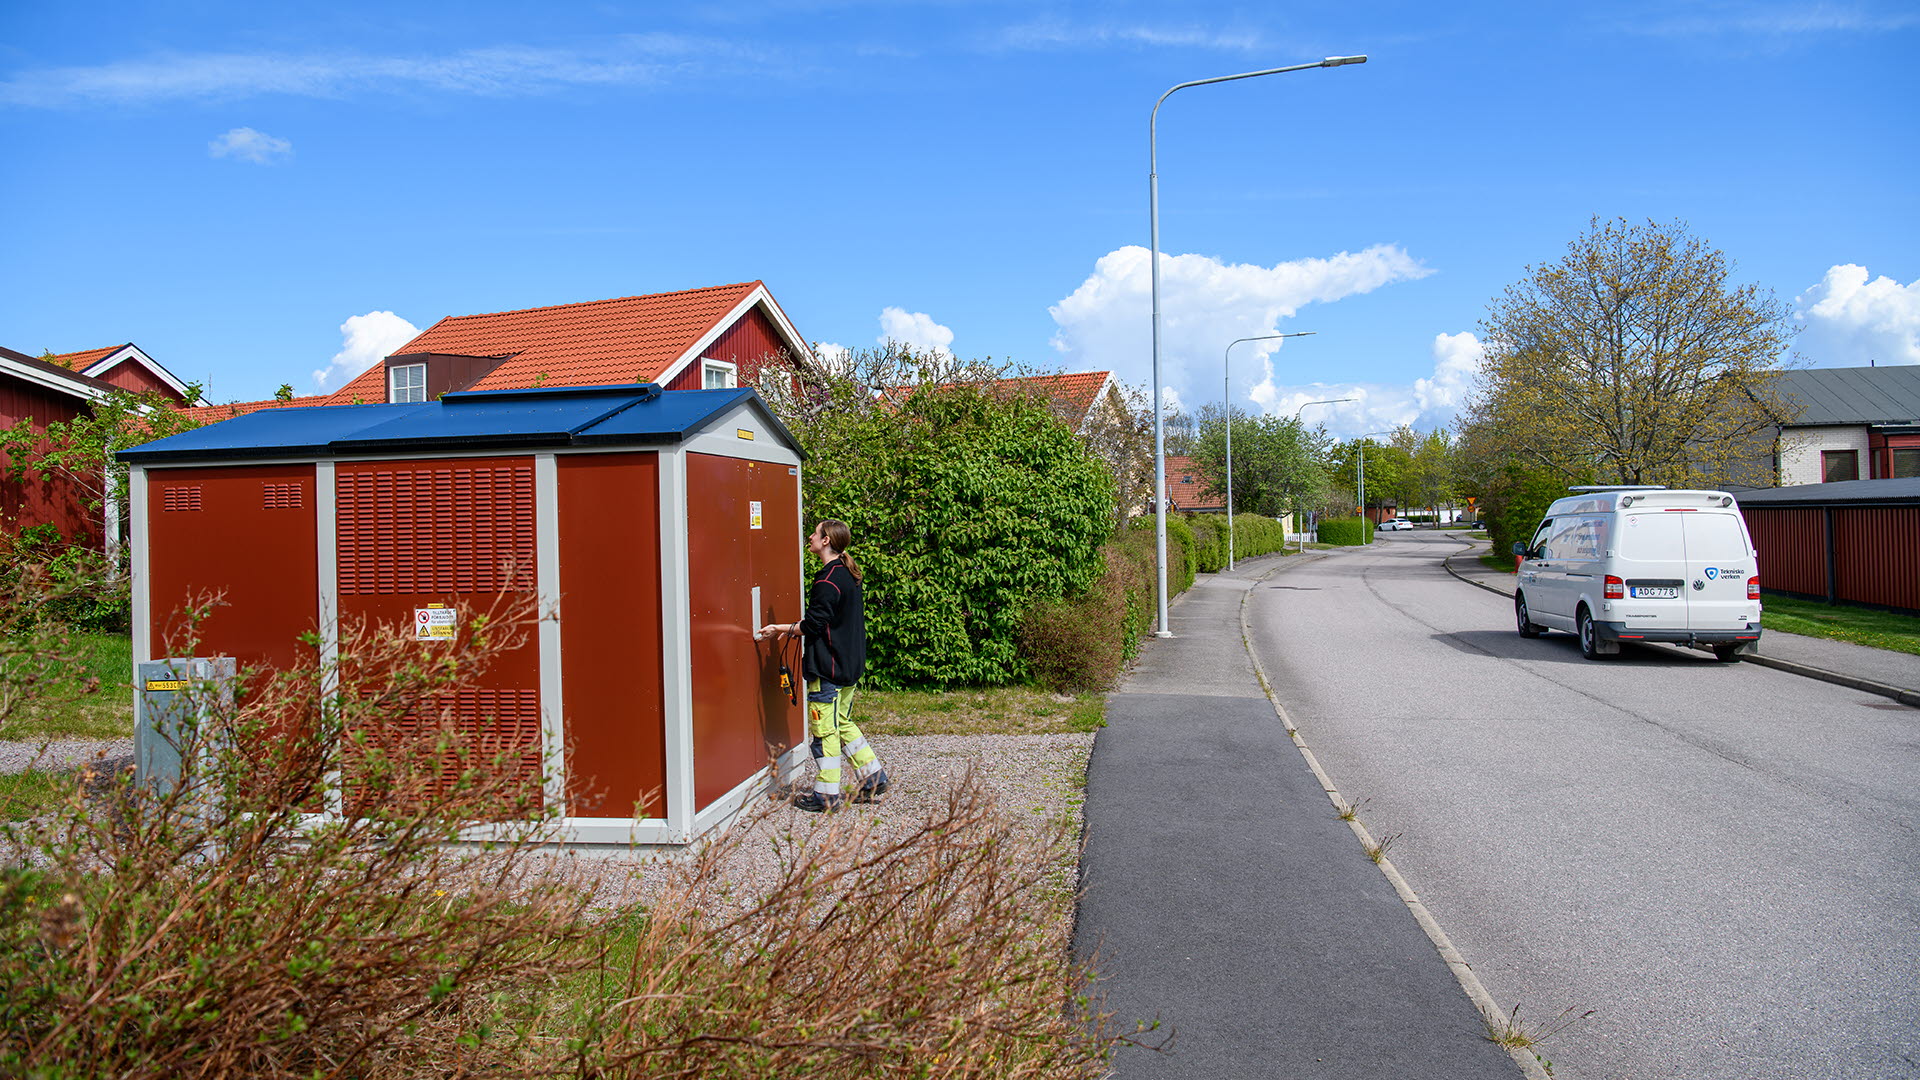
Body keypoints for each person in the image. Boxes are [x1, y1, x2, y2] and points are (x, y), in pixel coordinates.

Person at [756, 519, 889, 812]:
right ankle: (873, 776)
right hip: (849, 666)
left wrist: (779, 628)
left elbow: (814, 625)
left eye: (815, 533)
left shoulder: (827, 581)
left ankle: (826, 796)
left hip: (828, 668)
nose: (811, 537)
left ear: (826, 540)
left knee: (825, 733)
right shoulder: (847, 573)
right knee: (842, 723)